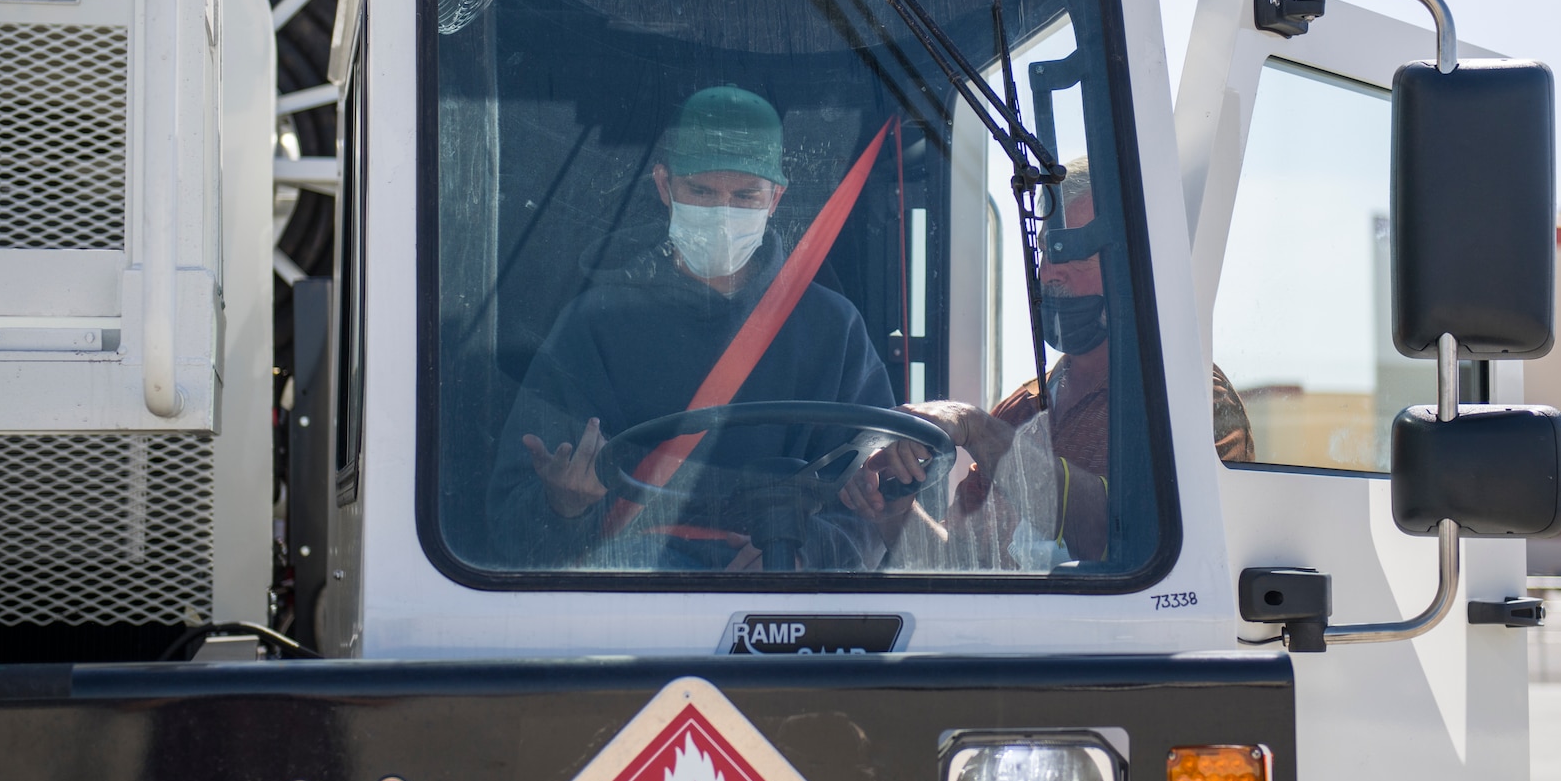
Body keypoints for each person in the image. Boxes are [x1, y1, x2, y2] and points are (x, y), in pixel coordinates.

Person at [487, 86, 895, 570]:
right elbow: (510, 526)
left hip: (786, 613)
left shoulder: (834, 330)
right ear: (664, 186)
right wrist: (561, 505)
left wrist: (806, 557)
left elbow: (878, 503)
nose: (723, 213)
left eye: (745, 195)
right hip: (633, 605)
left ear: (775, 198)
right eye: (701, 191)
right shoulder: (593, 326)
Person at [846, 155, 1255, 569]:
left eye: (1073, 252)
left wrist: (978, 429)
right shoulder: (1023, 409)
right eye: (1046, 250)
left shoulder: (1189, 401)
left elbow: (1137, 545)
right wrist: (894, 510)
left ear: (1137, 265)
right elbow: (958, 565)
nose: (1048, 275)